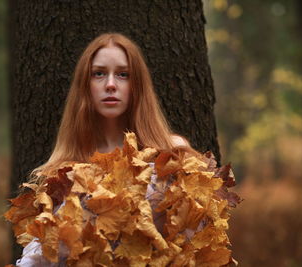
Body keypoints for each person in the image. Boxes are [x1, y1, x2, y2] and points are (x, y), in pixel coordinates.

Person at [16, 33, 194, 266]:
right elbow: (39, 259)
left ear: (137, 84)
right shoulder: (61, 174)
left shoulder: (170, 155)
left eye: (123, 75)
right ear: (85, 85)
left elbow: (194, 245)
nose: (110, 84)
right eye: (99, 73)